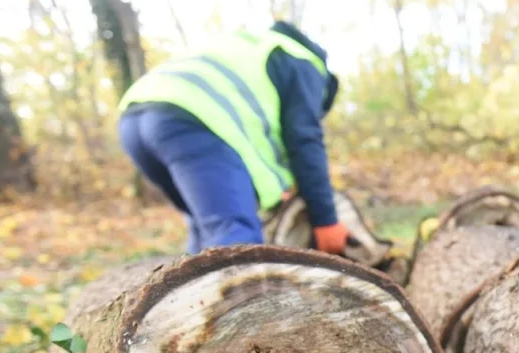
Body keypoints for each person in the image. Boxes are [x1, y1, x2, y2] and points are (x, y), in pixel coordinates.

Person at [117, 21, 349, 255]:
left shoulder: (254, 45)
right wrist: (326, 220)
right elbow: (304, 139)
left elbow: (263, 145)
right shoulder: (304, 63)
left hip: (134, 118)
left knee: (206, 231)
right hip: (192, 117)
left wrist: (280, 184)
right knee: (235, 242)